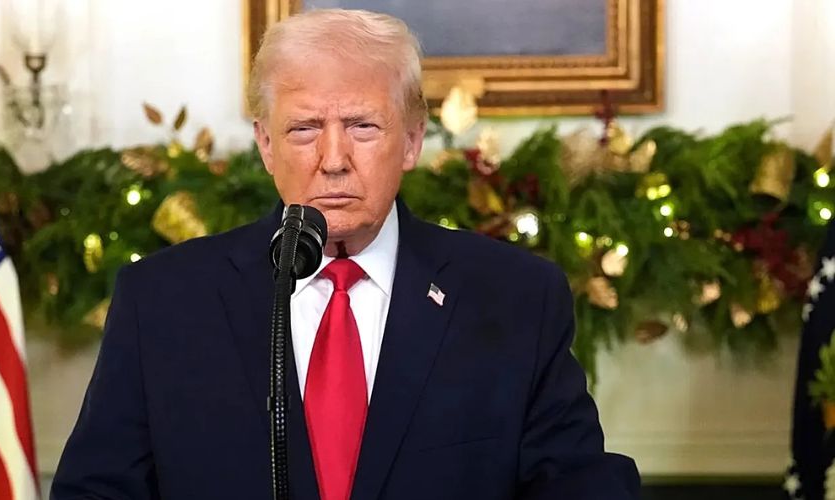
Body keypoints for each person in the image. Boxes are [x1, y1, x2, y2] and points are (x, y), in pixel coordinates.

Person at [52, 8, 640, 500]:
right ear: (265, 144)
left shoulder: (515, 297)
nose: (333, 160)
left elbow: (576, 483)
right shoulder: (163, 301)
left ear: (411, 140)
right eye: (304, 129)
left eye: (362, 126)